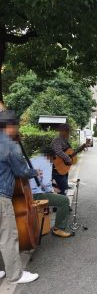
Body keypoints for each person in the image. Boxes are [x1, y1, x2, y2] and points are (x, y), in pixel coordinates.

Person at [0, 110, 40, 284]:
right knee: (8, 235)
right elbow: (20, 171)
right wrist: (34, 172)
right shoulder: (9, 144)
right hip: (1, 195)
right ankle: (15, 275)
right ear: (10, 127)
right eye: (15, 126)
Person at [29, 148, 72, 238]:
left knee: (54, 196)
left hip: (26, 193)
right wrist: (53, 190)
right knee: (64, 200)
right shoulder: (47, 162)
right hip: (36, 195)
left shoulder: (32, 159)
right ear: (51, 157)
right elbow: (46, 183)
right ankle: (59, 229)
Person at [51, 123, 73, 195]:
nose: (68, 133)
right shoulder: (57, 140)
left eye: (68, 131)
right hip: (57, 169)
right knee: (63, 189)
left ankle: (62, 203)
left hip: (63, 168)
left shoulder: (64, 140)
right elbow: (58, 151)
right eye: (67, 131)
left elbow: (68, 152)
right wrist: (68, 158)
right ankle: (62, 204)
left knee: (63, 189)